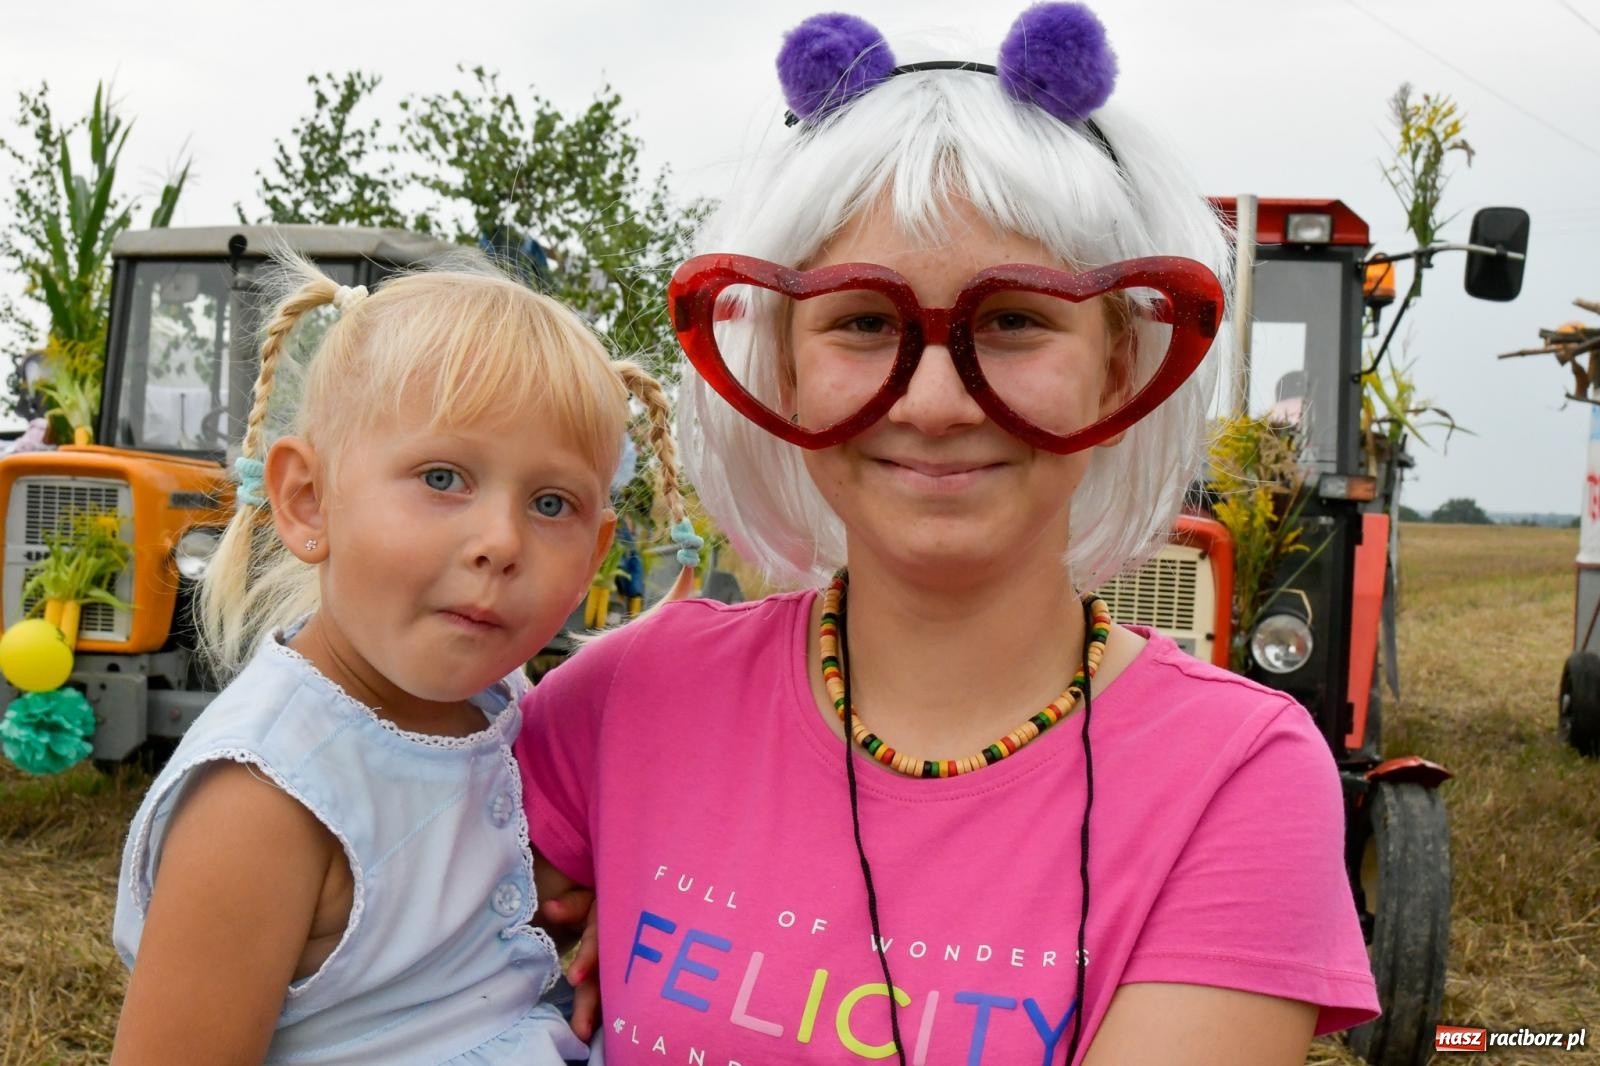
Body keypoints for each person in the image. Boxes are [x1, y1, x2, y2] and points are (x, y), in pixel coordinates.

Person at [517, 4, 1380, 1064]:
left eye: (1014, 319)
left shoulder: (1235, 778)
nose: (932, 402)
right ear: (779, 362)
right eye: (863, 321)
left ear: (1121, 362)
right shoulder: (626, 698)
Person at [111, 253, 692, 1064]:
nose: (500, 543)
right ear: (309, 501)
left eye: (551, 503)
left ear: (596, 553)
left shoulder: (496, 702)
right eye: (443, 477)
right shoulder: (268, 800)